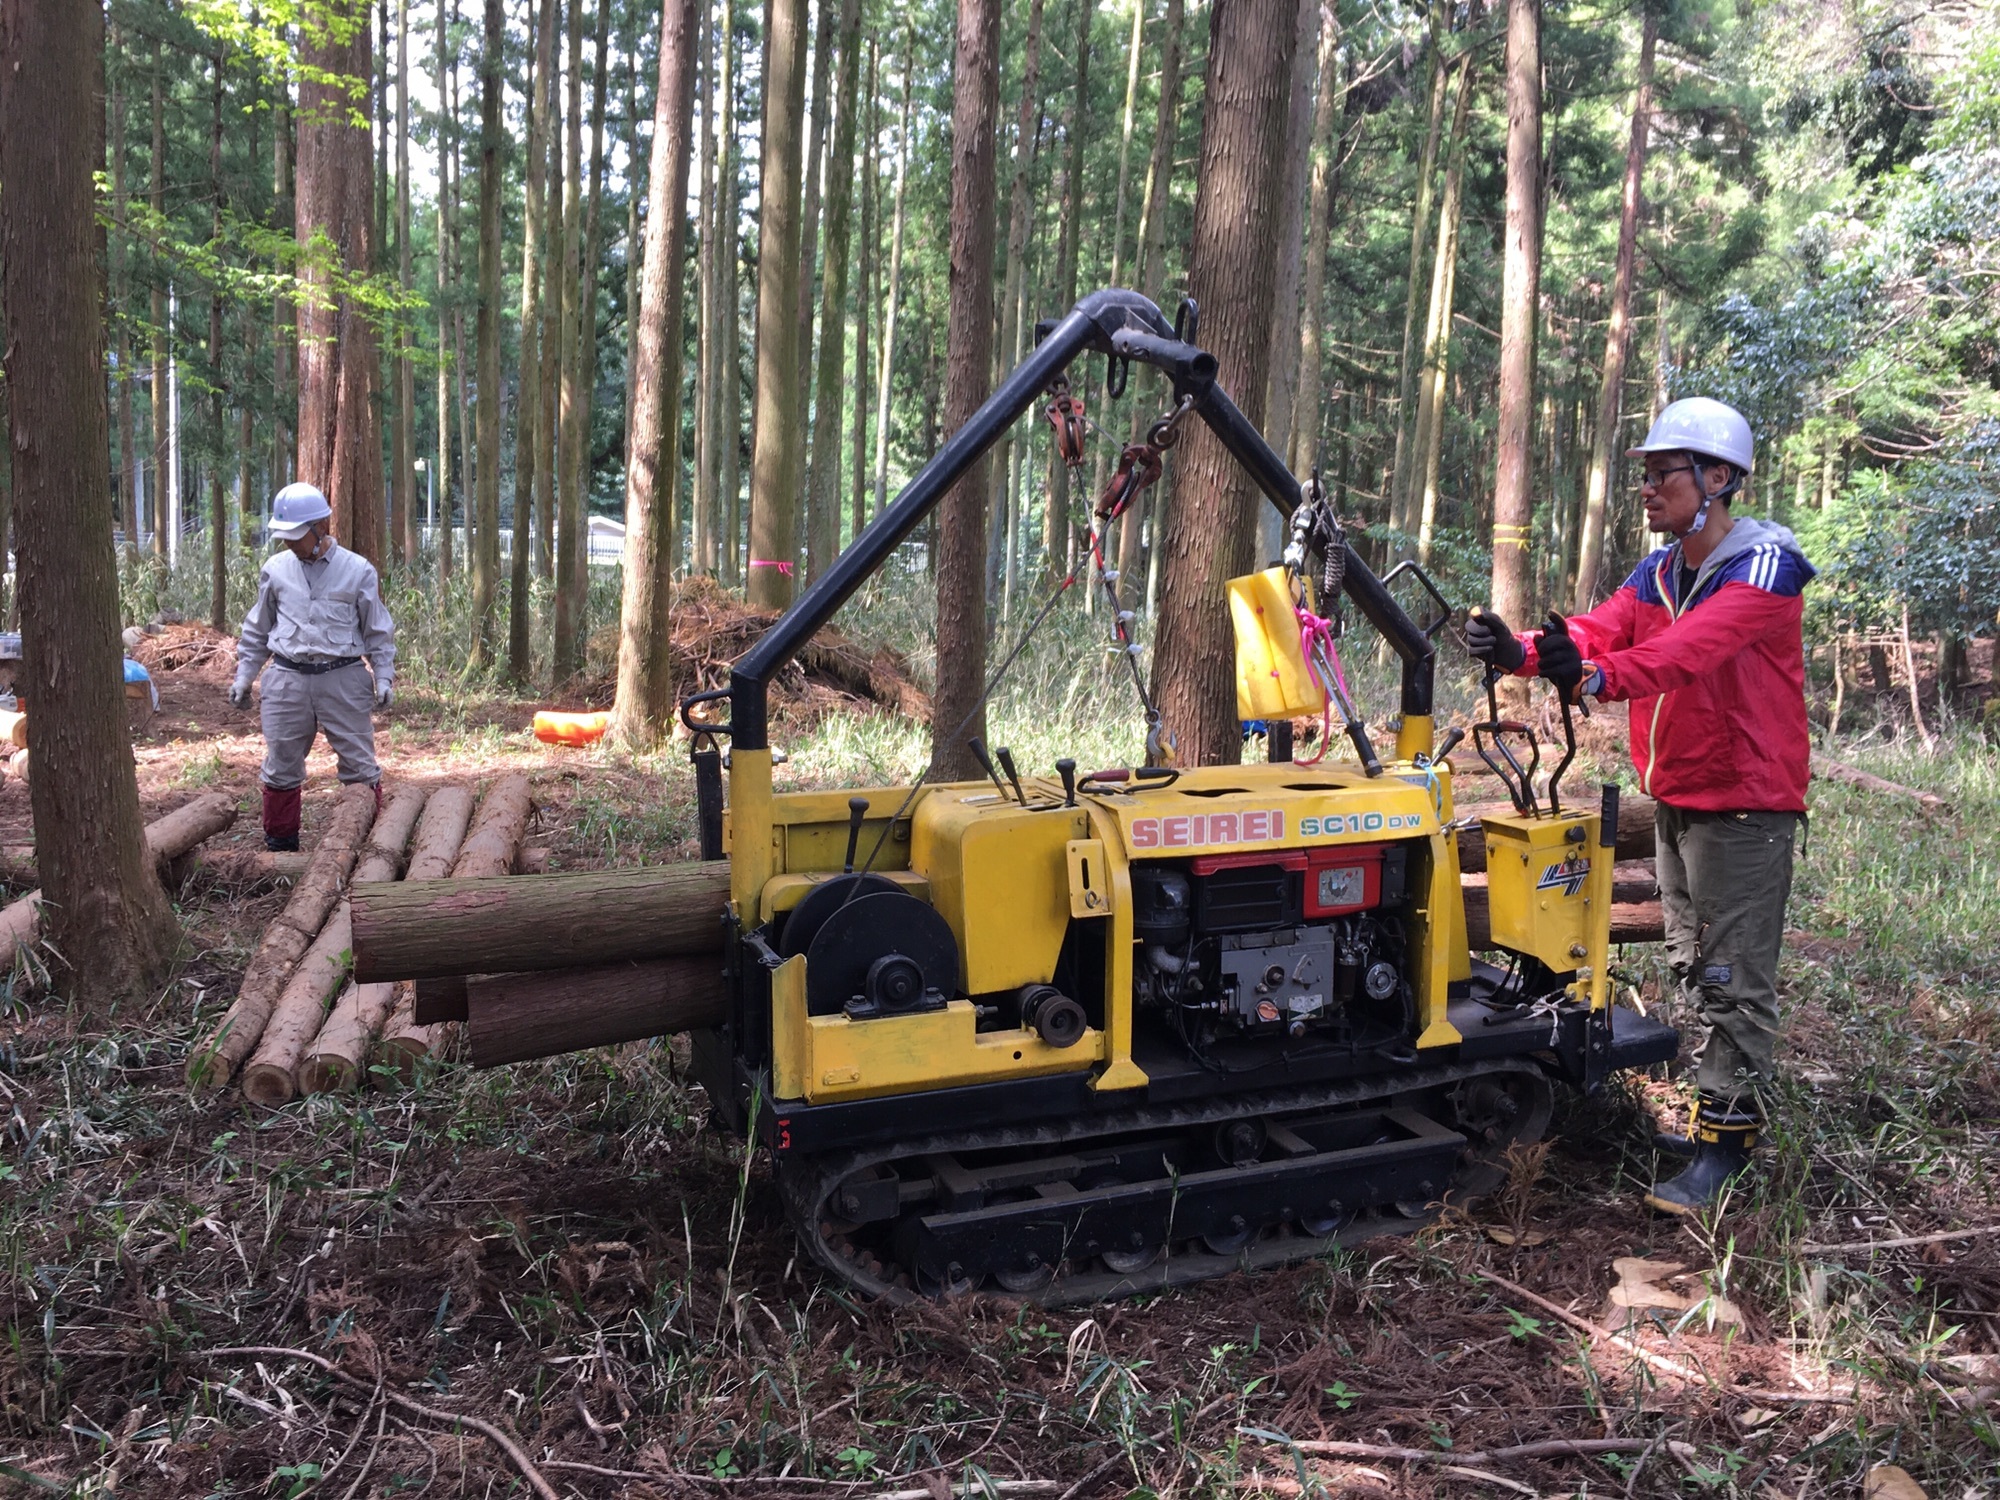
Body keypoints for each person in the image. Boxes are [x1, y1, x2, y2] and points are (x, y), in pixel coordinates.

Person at [1465, 397, 1815, 1216]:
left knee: (1734, 977)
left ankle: (1725, 1149)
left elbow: (1685, 652)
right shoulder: (1660, 571)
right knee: (1697, 963)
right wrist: (1526, 649)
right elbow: (1605, 627)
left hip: (1745, 806)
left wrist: (1592, 676)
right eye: (1647, 475)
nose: (1650, 489)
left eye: (1665, 474)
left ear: (1717, 477)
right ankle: (1711, 1126)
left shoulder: (1765, 569)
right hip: (1682, 796)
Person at [229, 483, 397, 852]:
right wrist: (245, 675)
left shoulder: (358, 571)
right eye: (285, 536)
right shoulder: (275, 570)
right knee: (281, 766)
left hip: (343, 678)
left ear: (320, 526)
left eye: (297, 535)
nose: (290, 543)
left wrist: (383, 677)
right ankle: (281, 848)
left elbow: (377, 631)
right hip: (286, 680)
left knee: (359, 767)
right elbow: (257, 628)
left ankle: (370, 848)